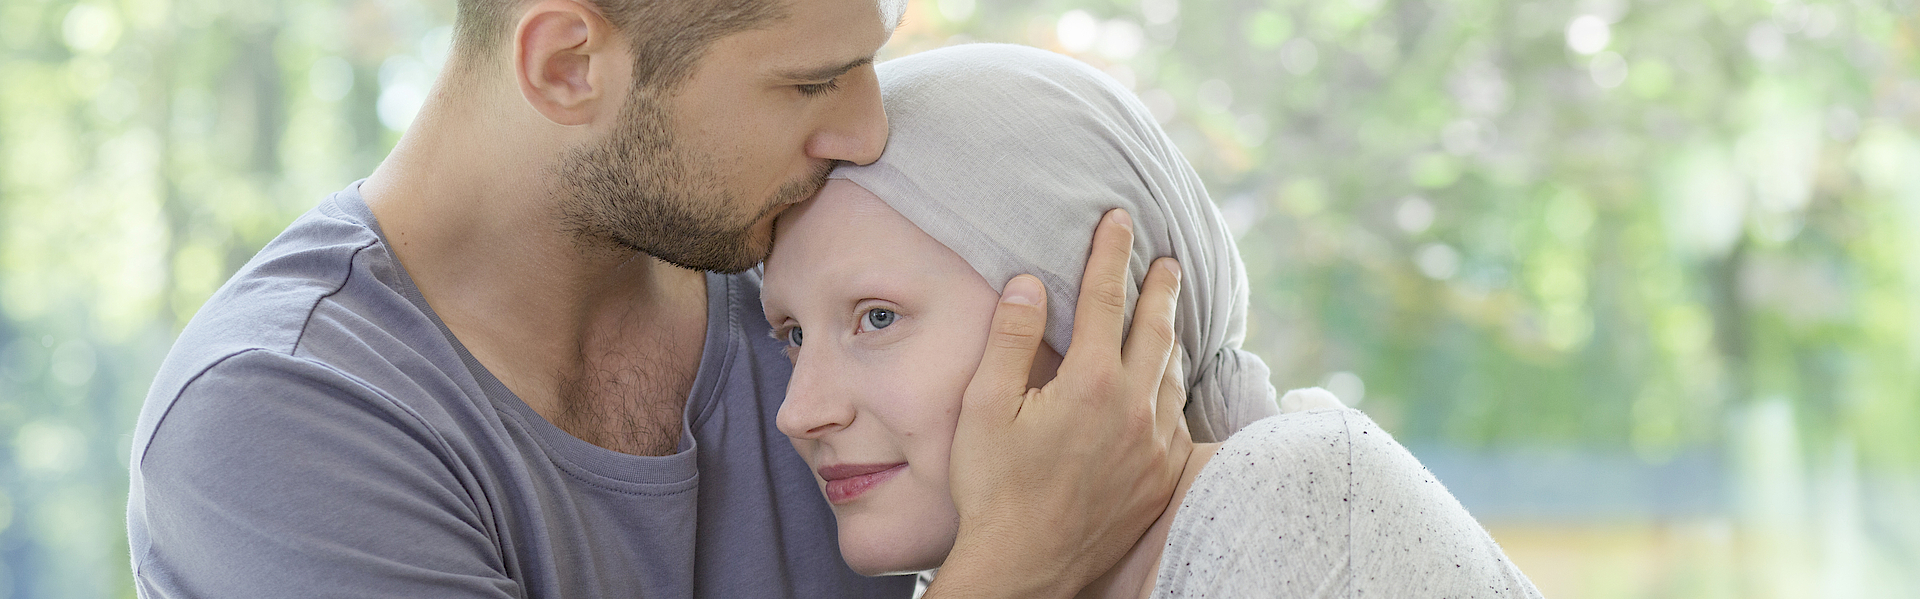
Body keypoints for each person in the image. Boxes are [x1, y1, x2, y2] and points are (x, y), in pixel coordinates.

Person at [125, 1, 1196, 597]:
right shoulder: (277, 418)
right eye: (811, 83)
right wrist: (1010, 572)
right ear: (569, 63)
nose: (867, 136)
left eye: (870, 62)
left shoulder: (813, 279)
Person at [761, 43, 1544, 598]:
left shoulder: (1288, 497)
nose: (800, 411)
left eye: (877, 317)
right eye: (792, 335)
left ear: (1104, 311)